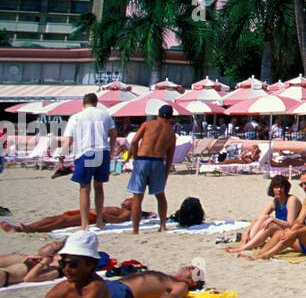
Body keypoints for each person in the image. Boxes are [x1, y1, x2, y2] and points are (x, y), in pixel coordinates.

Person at [244, 168, 306, 259]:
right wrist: (291, 231)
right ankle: (260, 253)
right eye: (301, 185)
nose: (304, 187)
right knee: (281, 233)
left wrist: (294, 232)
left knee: (296, 229)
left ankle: (268, 254)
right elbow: (299, 221)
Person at [13, 231, 112, 298]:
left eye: (73, 264)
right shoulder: (64, 287)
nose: (66, 269)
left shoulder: (95, 288)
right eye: (63, 263)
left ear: (90, 265)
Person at [61, 93, 118, 232]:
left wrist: (61, 157)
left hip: (85, 152)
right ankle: (99, 220)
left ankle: (85, 224)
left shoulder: (76, 118)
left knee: (84, 189)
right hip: (102, 151)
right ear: (96, 103)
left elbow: (68, 140)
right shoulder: (105, 115)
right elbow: (113, 135)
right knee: (99, 187)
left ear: (83, 104)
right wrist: (110, 151)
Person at [127, 105, 177, 235]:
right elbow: (170, 158)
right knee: (160, 196)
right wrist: (165, 175)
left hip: (142, 160)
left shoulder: (147, 125)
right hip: (158, 162)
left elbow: (133, 142)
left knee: (137, 197)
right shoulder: (171, 133)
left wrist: (134, 157)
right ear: (171, 118)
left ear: (157, 114)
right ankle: (162, 225)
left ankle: (135, 230)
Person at [226, 175, 302, 255]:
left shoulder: (291, 200)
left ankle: (246, 246)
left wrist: (273, 219)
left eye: (281, 187)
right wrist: (247, 231)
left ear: (285, 188)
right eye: (276, 187)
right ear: (272, 189)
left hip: (293, 233)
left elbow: (290, 225)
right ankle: (248, 243)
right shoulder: (276, 201)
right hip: (281, 231)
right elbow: (259, 217)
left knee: (270, 224)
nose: (278, 190)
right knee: (264, 217)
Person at [2, 197, 144, 233]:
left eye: (129, 200)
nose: (126, 200)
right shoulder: (118, 207)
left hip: (92, 216)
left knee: (63, 221)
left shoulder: (127, 213)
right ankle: (24, 227)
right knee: (54, 218)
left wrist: (100, 214)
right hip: (89, 211)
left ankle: (31, 229)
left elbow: (118, 220)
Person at [108, 264, 206, 298]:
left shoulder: (181, 285)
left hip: (123, 292)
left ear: (192, 282)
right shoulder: (170, 278)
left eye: (194, 270)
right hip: (114, 284)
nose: (190, 266)